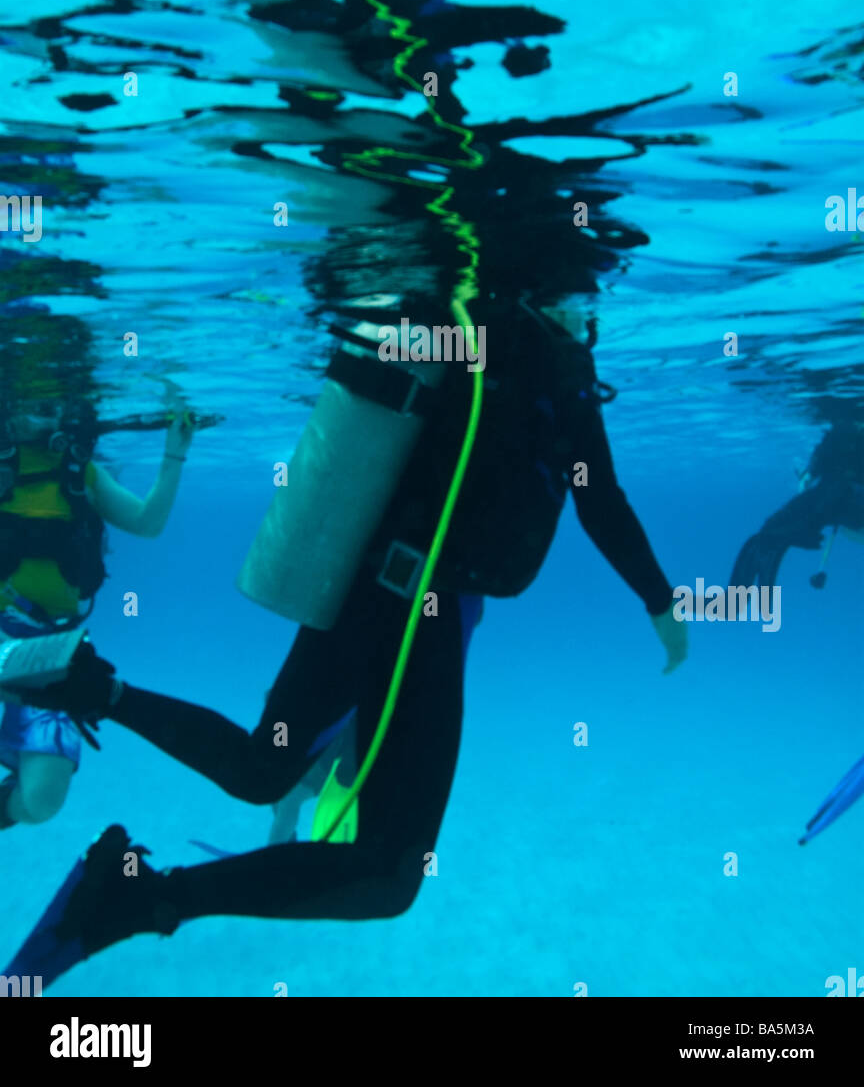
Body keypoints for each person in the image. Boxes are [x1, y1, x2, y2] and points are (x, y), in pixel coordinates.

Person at [3, 297, 685, 979]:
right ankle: (140, 890)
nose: (584, 310)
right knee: (385, 871)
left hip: (372, 587)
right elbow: (599, 497)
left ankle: (95, 694)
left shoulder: (486, 329)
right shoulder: (545, 355)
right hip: (424, 612)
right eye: (579, 297)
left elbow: (576, 489)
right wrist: (661, 604)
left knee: (261, 769)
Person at [0, 393, 194, 831]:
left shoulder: (82, 472)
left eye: (52, 399)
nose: (43, 406)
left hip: (49, 652)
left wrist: (174, 452)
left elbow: (147, 522)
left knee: (43, 799)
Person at [729, 418, 864, 590]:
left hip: (839, 495)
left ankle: (737, 599)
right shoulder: (844, 432)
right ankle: (735, 600)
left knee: (772, 531)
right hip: (836, 493)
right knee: (771, 531)